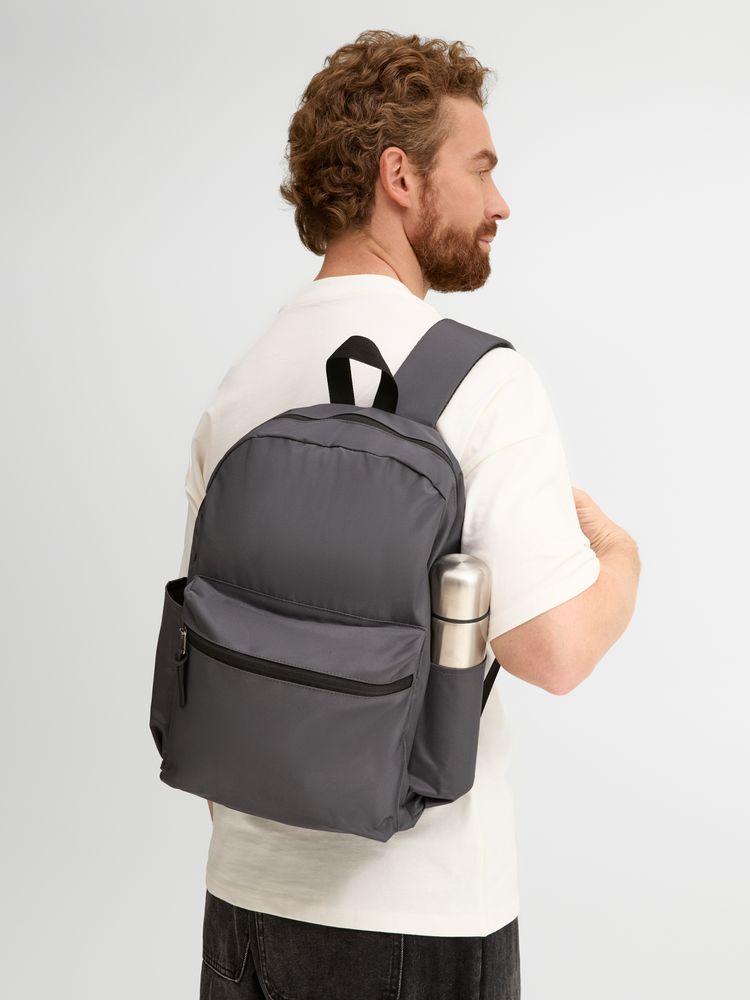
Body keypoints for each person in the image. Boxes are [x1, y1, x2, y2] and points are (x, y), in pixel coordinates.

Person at [178, 29, 641, 1000]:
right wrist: (623, 560)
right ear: (400, 176)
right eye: (481, 167)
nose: (501, 202)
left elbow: (211, 654)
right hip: (416, 913)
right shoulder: (484, 381)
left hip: (245, 899)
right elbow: (555, 652)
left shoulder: (242, 385)